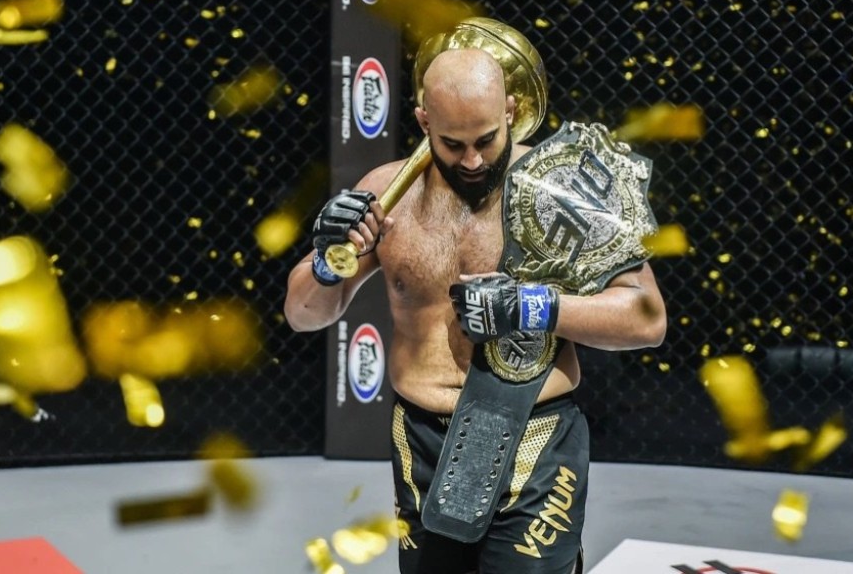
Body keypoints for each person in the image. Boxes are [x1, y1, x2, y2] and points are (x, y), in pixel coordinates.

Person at [285, 47, 666, 574]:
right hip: (420, 439)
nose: (472, 160)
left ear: (510, 110)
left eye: (486, 139)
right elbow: (305, 313)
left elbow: (647, 319)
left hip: (533, 433)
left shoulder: (562, 190)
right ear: (423, 121)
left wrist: (530, 306)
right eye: (452, 143)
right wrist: (328, 263)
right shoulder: (386, 193)